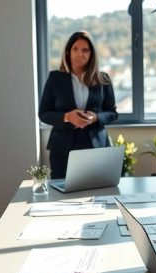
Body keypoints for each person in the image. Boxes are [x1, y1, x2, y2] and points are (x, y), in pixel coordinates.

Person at [38, 31, 118, 179]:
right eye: (75, 49)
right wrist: (67, 117)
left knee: (96, 194)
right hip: (62, 148)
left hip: (96, 147)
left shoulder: (103, 79)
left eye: (85, 50)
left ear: (91, 54)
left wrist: (96, 117)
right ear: (68, 52)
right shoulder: (55, 78)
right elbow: (43, 114)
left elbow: (112, 113)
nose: (80, 54)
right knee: (62, 195)